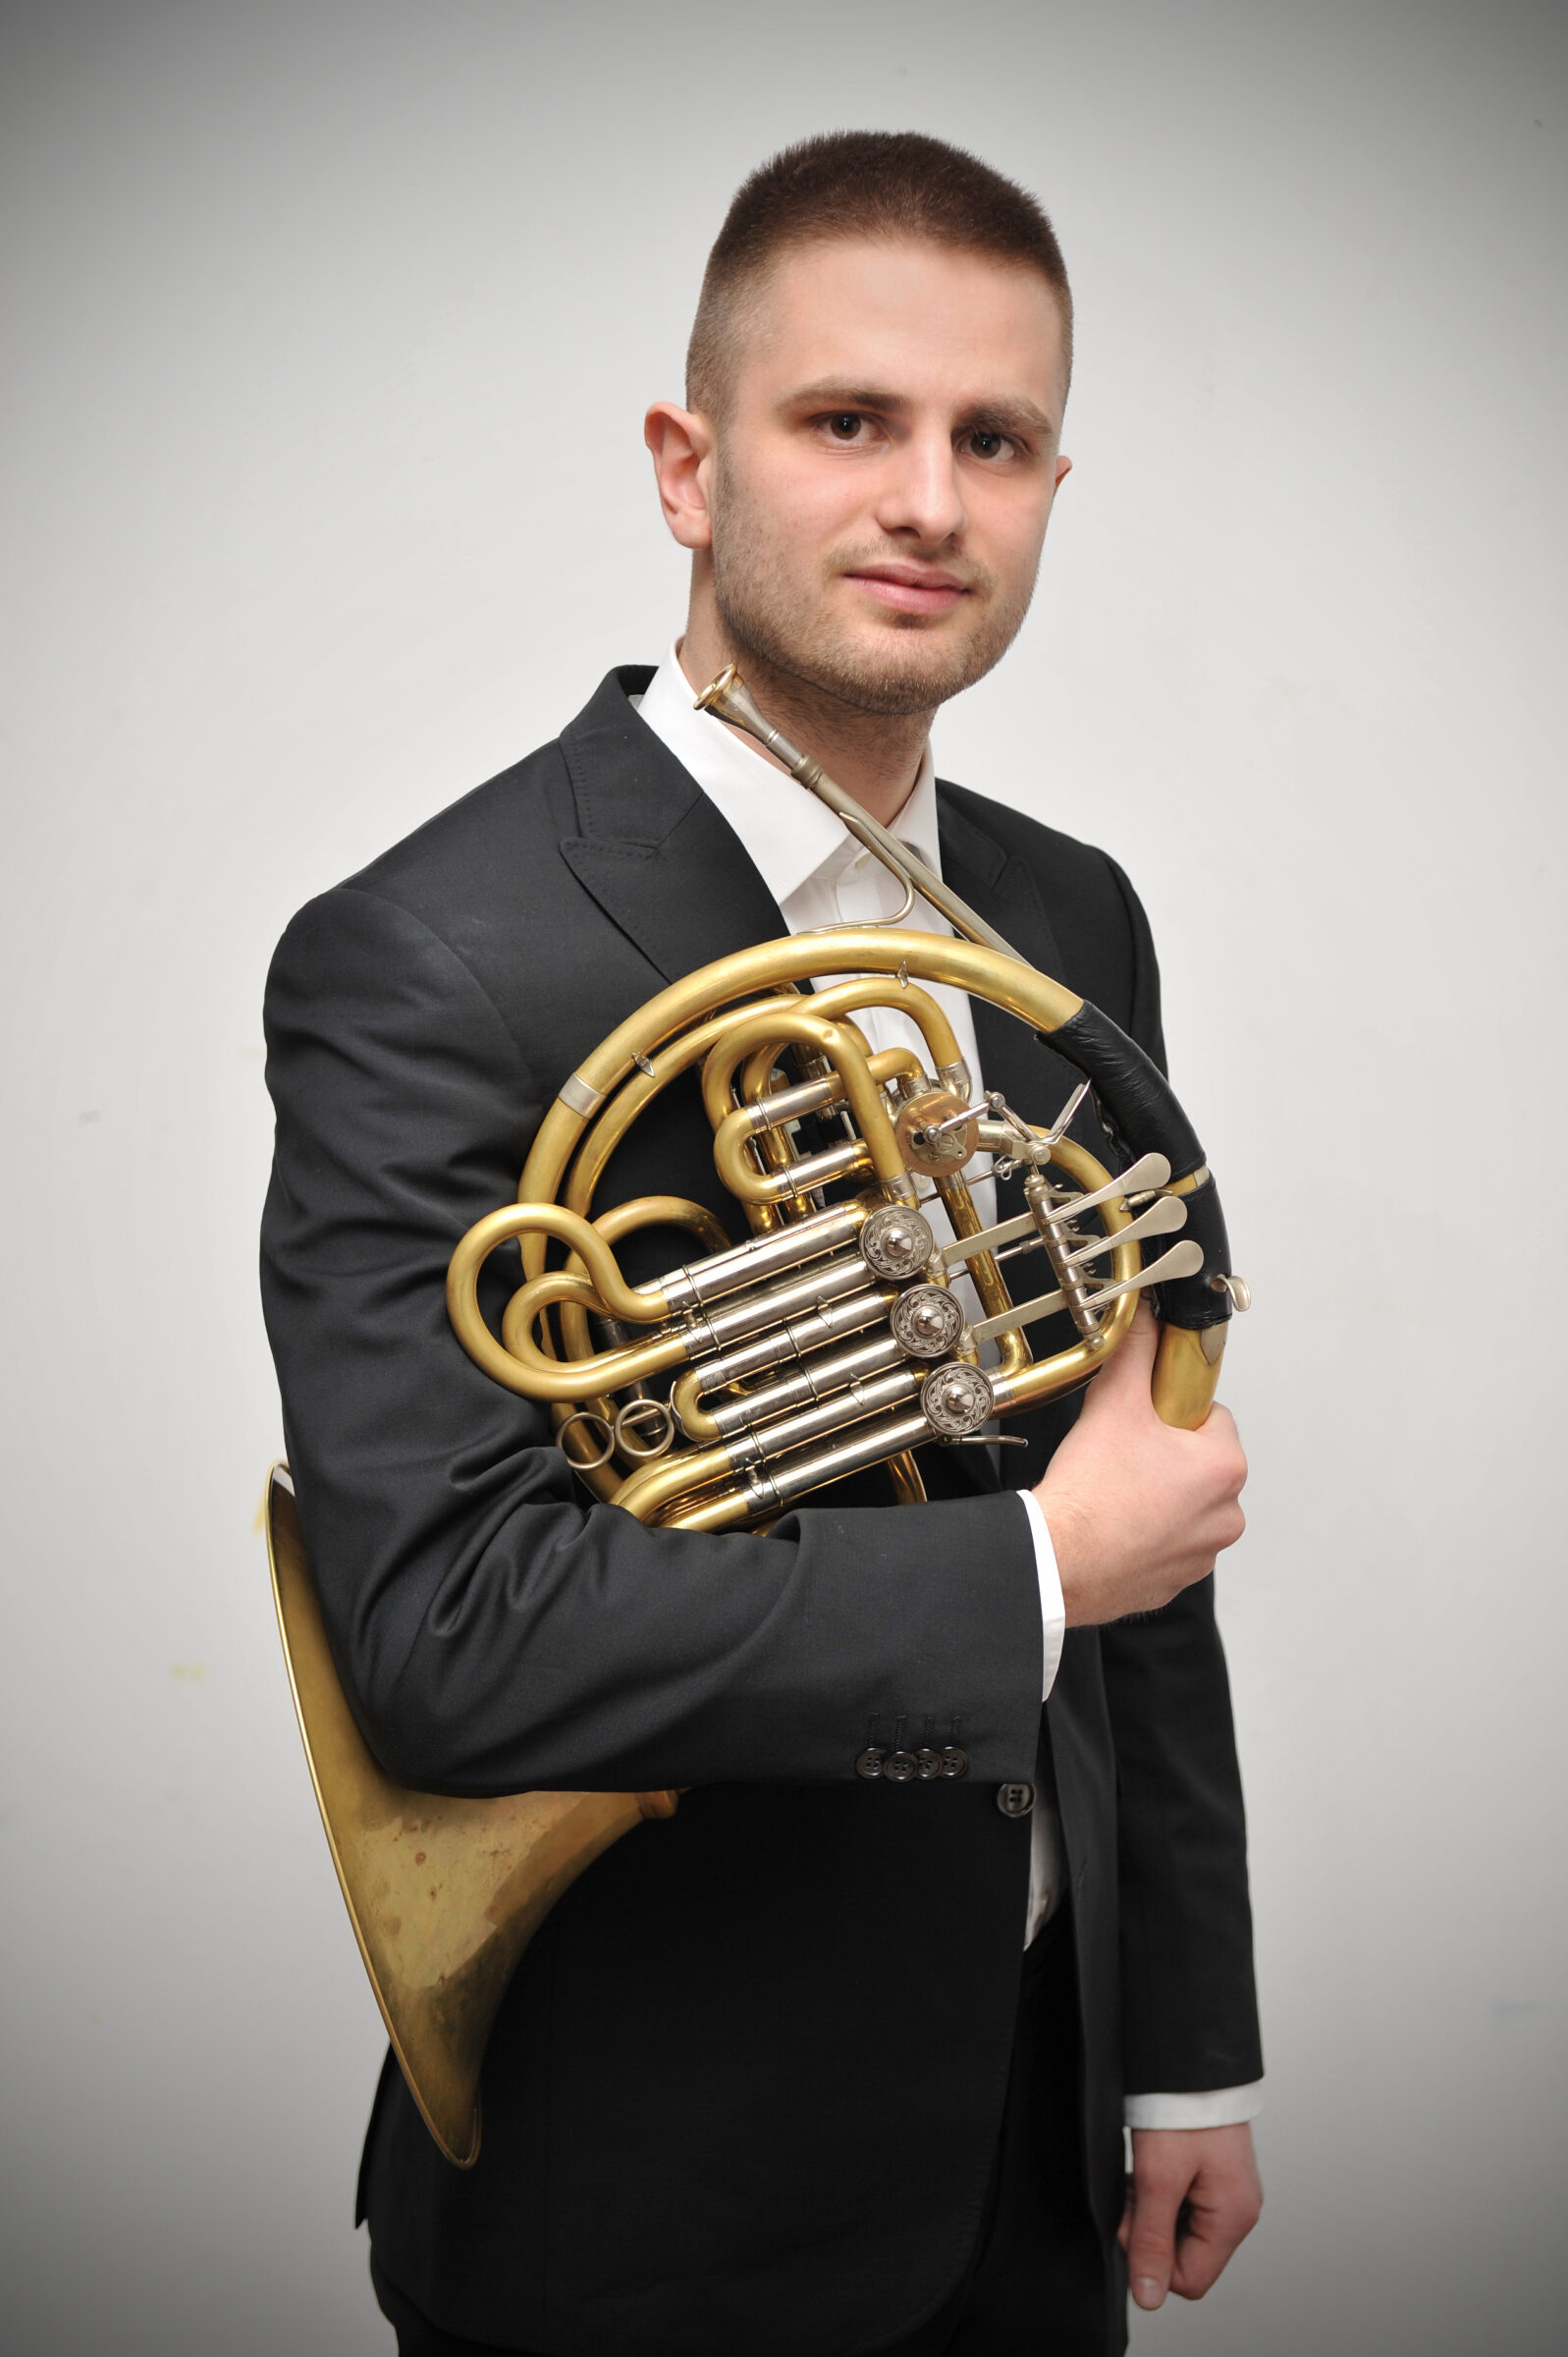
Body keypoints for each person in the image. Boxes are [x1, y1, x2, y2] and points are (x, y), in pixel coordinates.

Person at [261, 131, 1262, 2357]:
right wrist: (1028, 1566)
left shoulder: (1066, 913)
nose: (928, 500)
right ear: (686, 468)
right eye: (847, 421)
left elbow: (1138, 1489)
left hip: (1032, 2147)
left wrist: (1184, 2047)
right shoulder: (426, 954)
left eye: (990, 439)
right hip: (657, 2186)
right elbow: (444, 1634)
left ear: (1049, 489)